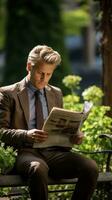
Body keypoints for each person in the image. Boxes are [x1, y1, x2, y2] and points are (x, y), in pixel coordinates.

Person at [0, 45, 98, 200]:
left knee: (91, 167)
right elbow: (1, 131)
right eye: (40, 73)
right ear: (29, 67)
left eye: (48, 74)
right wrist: (26, 135)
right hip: (26, 152)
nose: (44, 79)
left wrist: (74, 135)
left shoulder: (56, 93)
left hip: (54, 152)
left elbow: (61, 127)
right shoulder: (8, 93)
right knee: (38, 169)